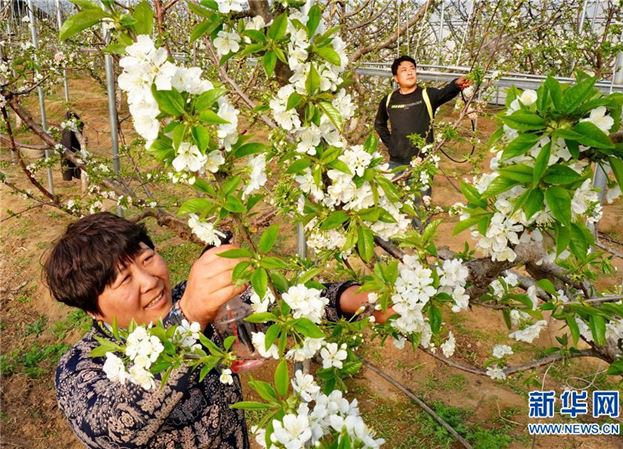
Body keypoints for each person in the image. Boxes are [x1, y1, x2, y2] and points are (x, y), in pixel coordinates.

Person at [45, 212, 390, 449]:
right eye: (124, 279)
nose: (150, 282)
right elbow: (121, 427)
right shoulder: (79, 371)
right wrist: (189, 319)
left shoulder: (189, 303)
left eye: (148, 259)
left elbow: (278, 305)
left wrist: (355, 298)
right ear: (93, 309)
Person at [374, 56, 471, 227]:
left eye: (412, 68)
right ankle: (393, 243)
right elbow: (379, 124)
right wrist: (392, 145)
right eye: (403, 70)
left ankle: (420, 246)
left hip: (422, 164)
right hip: (396, 163)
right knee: (389, 203)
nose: (409, 72)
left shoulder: (427, 95)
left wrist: (457, 83)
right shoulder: (389, 100)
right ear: (396, 78)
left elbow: (446, 92)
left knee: (420, 208)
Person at [60, 111, 83, 181]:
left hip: (75, 151)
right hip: (72, 152)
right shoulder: (67, 130)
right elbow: (67, 144)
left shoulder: (70, 129)